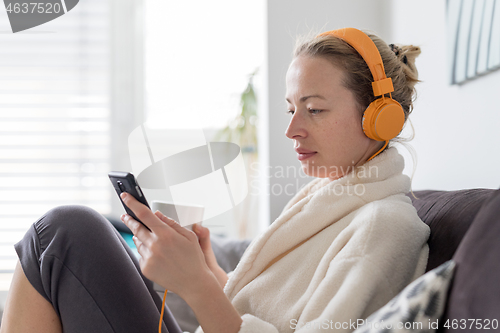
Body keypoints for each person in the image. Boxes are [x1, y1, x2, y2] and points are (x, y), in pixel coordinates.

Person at [1, 27, 429, 333]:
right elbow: (272, 315)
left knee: (65, 232)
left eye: (314, 109)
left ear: (380, 118)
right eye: (290, 109)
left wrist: (197, 286)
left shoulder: (384, 226)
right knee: (60, 237)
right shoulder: (329, 198)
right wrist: (212, 273)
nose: (292, 129)